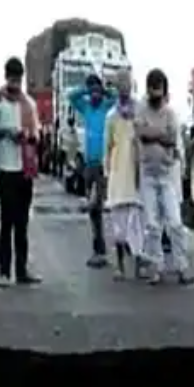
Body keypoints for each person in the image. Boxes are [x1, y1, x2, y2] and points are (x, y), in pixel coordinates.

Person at [135, 68, 191, 285]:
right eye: (152, 89)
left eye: (159, 89)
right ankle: (156, 267)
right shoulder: (141, 111)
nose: (155, 94)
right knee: (152, 225)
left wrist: (154, 135)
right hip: (148, 173)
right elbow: (141, 134)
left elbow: (171, 139)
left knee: (175, 223)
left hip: (167, 175)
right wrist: (159, 136)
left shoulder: (170, 114)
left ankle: (181, 267)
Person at [0, 57, 41, 286]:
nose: (15, 84)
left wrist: (27, 136)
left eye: (18, 80)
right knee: (6, 222)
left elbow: (37, 134)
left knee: (22, 223)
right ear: (6, 77)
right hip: (6, 168)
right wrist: (4, 133)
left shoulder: (29, 104)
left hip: (24, 169)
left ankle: (21, 270)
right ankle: (3, 271)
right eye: (12, 79)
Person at [69, 74, 117, 268]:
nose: (96, 95)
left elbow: (114, 96)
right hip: (89, 165)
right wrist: (88, 89)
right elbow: (72, 97)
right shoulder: (87, 108)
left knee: (98, 204)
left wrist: (103, 89)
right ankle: (99, 250)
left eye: (98, 91)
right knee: (94, 211)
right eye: (92, 91)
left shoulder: (106, 107)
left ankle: (107, 249)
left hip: (104, 165)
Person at [103, 70, 144, 279]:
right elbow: (108, 147)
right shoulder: (111, 116)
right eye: (121, 84)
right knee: (118, 226)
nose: (124, 87)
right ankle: (120, 267)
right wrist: (106, 171)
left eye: (127, 83)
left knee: (136, 224)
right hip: (118, 175)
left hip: (137, 174)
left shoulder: (140, 113)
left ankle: (138, 266)